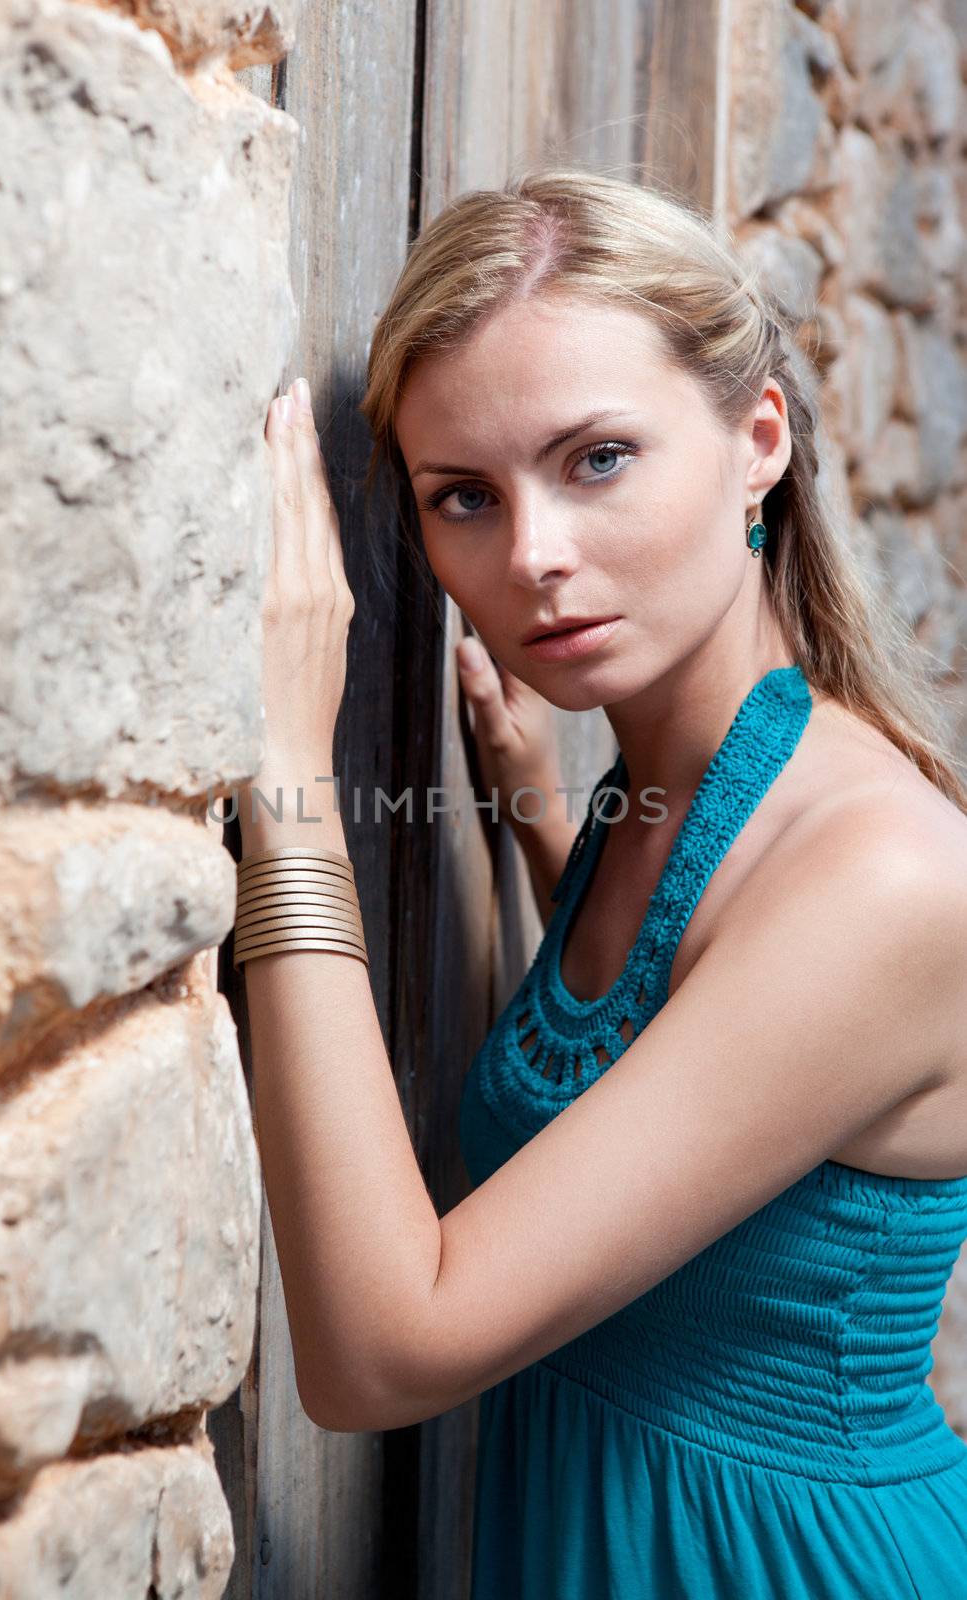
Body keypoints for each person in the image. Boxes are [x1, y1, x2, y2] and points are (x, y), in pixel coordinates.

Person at [239, 167, 967, 1598]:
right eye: (464, 496)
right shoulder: (678, 794)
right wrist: (540, 823)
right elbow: (695, 1040)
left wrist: (288, 780)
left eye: (599, 459)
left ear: (758, 438)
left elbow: (384, 1351)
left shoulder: (882, 876)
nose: (534, 559)